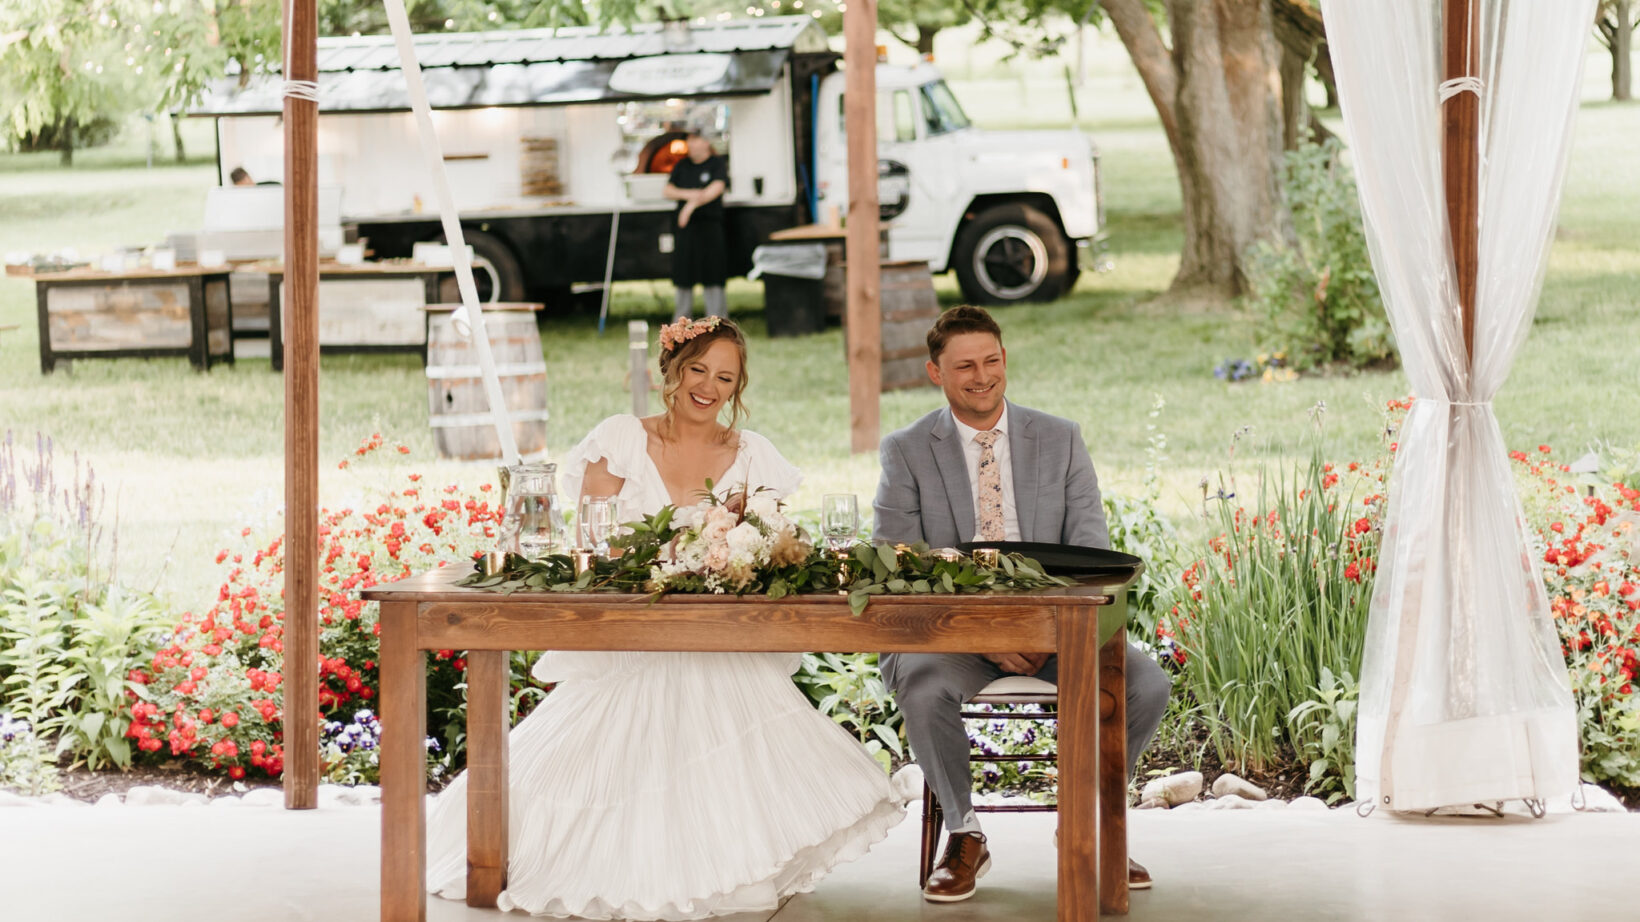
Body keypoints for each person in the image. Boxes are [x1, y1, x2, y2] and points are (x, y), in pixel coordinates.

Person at [425, 316, 905, 919]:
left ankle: (735, 861)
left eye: (725, 378)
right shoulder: (622, 439)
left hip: (717, 633)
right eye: (698, 370)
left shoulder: (754, 455)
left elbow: (770, 547)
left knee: (724, 685)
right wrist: (669, 558)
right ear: (672, 371)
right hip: (633, 629)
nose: (708, 387)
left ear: (738, 387)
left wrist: (730, 557)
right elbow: (593, 545)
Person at [872, 305, 1172, 903]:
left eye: (991, 360)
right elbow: (896, 563)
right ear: (937, 373)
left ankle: (1084, 820)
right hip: (953, 638)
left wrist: (1045, 633)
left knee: (1145, 685)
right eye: (964, 366)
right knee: (922, 685)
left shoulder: (1059, 438)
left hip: (1057, 631)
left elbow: (1090, 551)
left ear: (1004, 360)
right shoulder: (905, 450)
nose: (981, 376)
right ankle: (964, 834)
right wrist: (978, 636)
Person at [663, 130, 729, 320]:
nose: (691, 145)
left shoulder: (716, 164)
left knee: (713, 273)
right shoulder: (682, 165)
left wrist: (690, 206)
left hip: (710, 226)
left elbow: (716, 189)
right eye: (689, 141)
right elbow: (668, 190)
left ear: (706, 142)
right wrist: (691, 194)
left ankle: (717, 321)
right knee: (684, 273)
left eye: (695, 140)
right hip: (686, 229)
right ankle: (680, 323)